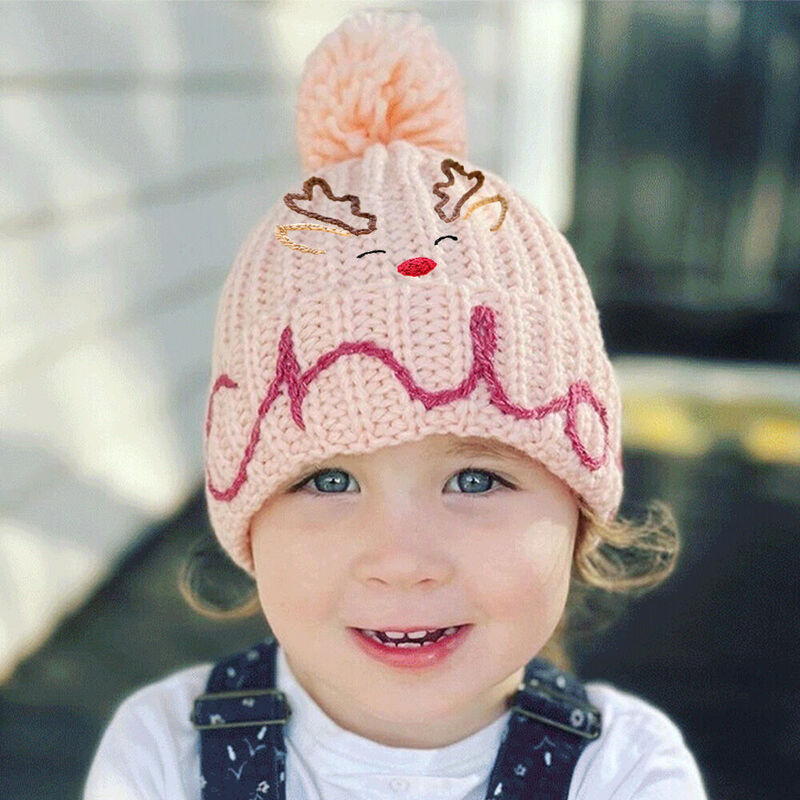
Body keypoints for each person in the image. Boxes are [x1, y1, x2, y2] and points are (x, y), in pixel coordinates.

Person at [82, 9, 708, 800]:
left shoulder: (625, 771)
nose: (402, 561)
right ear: (245, 515)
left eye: (477, 479)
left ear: (580, 510)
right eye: (330, 480)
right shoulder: (164, 752)